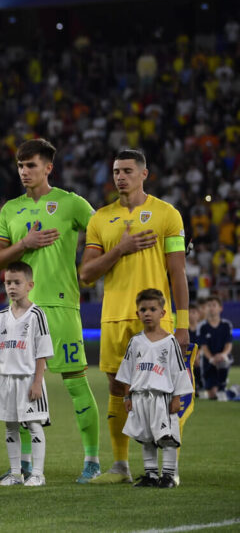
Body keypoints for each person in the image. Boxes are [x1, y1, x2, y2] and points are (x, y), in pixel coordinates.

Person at [0, 139, 102, 483]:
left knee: (76, 384)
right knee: (22, 386)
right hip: (21, 312)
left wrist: (89, 260)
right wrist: (24, 244)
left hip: (62, 305)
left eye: (31, 165)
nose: (24, 172)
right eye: (21, 166)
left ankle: (92, 460)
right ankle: (24, 465)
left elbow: (102, 232)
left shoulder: (71, 203)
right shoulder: (11, 209)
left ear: (48, 168)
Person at [79, 149, 190, 484]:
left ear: (144, 174)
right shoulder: (100, 218)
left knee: (163, 391)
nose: (120, 177)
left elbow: (178, 272)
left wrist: (183, 324)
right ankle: (121, 465)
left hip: (157, 320)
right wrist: (120, 249)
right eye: (116, 171)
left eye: (127, 170)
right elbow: (86, 274)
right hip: (114, 317)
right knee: (118, 389)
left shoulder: (167, 214)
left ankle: (168, 470)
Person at [116, 289, 193, 488]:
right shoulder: (135, 342)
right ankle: (150, 475)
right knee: (146, 438)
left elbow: (178, 371)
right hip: (140, 397)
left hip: (162, 398)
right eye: (143, 310)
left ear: (162, 313)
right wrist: (127, 397)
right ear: (137, 314)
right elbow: (127, 371)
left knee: (167, 438)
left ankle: (168, 476)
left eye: (152, 309)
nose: (147, 313)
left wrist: (177, 398)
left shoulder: (170, 342)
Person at [0, 262, 53, 487]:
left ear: (30, 285)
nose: (12, 287)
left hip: (28, 379)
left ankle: (38, 474)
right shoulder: (0, 317)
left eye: (17, 282)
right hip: (7, 380)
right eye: (8, 283)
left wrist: (37, 382)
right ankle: (15, 473)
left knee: (33, 425)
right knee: (10, 426)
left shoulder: (37, 315)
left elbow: (42, 352)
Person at [195, 295, 233, 399]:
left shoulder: (226, 325)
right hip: (208, 361)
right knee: (212, 395)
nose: (211, 308)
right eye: (209, 305)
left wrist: (223, 355)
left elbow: (228, 344)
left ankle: (222, 387)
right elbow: (204, 346)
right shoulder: (202, 326)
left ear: (220, 308)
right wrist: (211, 358)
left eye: (214, 305)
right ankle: (233, 390)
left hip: (222, 359)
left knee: (224, 360)